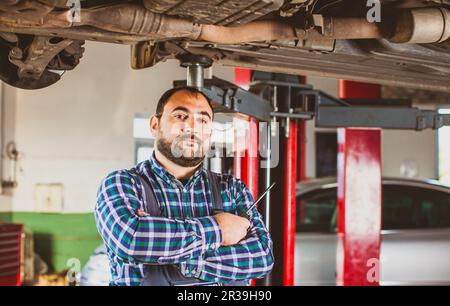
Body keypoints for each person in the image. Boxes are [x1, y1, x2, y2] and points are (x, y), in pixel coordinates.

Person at [95, 86, 273, 286]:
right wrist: (220, 228)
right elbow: (132, 239)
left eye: (203, 120)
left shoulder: (232, 189)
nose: (192, 127)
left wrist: (183, 263)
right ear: (155, 125)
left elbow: (261, 258)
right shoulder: (122, 183)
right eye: (180, 116)